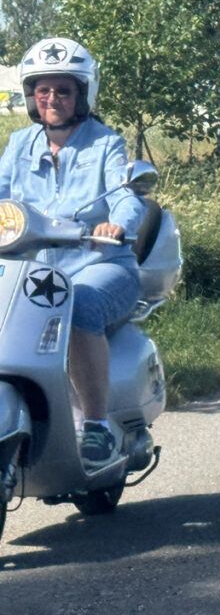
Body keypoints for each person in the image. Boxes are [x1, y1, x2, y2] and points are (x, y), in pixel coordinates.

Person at [2, 38, 145, 470]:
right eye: (43, 90)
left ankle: (96, 425)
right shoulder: (19, 144)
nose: (52, 99)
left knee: (78, 304)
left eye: (63, 90)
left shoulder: (105, 144)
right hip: (30, 273)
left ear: (82, 94)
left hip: (99, 265)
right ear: (31, 96)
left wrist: (116, 225)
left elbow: (126, 195)